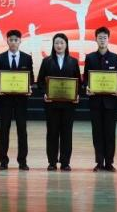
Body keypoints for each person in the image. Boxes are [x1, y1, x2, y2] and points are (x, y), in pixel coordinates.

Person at [83, 26, 117, 172]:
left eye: (105, 38)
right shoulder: (90, 58)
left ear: (108, 39)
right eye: (100, 38)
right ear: (96, 39)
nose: (102, 40)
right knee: (97, 133)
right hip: (95, 102)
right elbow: (85, 79)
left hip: (111, 103)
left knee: (110, 133)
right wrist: (86, 88)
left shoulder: (116, 58)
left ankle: (109, 162)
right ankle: (99, 162)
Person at [37, 33, 80, 171]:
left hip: (68, 105)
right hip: (51, 104)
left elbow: (78, 82)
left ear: (66, 45)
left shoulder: (73, 61)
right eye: (56, 43)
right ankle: (52, 162)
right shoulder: (46, 61)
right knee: (52, 133)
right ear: (53, 45)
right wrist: (45, 93)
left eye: (62, 43)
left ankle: (65, 162)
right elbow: (40, 82)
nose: (59, 45)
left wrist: (77, 94)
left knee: (67, 133)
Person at [0, 29, 34, 170]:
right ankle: (3, 161)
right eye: (11, 40)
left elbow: (31, 77)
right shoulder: (0, 58)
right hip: (5, 100)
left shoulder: (27, 58)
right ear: (7, 41)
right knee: (4, 129)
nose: (13, 42)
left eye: (16, 40)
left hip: (21, 100)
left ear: (20, 41)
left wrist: (29, 87)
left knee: (22, 130)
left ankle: (22, 161)